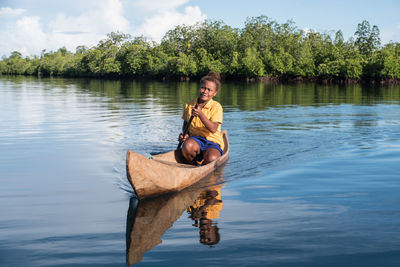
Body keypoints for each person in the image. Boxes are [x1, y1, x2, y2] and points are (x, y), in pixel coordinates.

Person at [178, 71, 224, 165]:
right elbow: (186, 124)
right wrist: (186, 134)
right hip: (195, 139)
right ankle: (193, 164)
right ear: (200, 88)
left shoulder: (216, 106)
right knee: (187, 146)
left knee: (212, 159)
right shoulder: (190, 104)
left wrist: (201, 114)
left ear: (214, 93)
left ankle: (205, 161)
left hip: (212, 141)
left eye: (209, 90)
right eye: (203, 88)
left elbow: (213, 129)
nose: (205, 92)